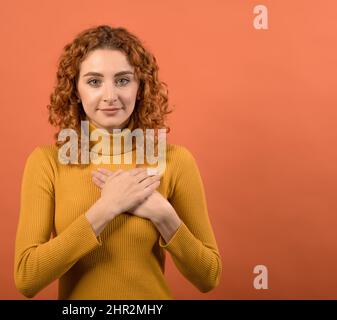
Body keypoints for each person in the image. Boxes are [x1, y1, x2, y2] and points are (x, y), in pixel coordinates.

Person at [14, 25, 222, 299]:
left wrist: (164, 216)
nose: (110, 96)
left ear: (140, 87)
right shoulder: (47, 162)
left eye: (123, 80)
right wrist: (107, 207)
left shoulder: (174, 161)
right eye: (94, 81)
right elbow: (27, 278)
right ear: (75, 90)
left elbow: (209, 277)